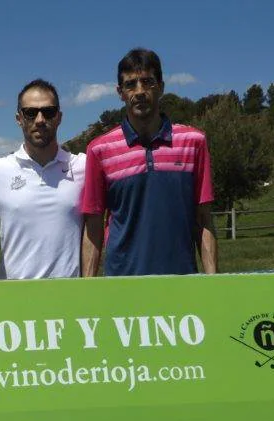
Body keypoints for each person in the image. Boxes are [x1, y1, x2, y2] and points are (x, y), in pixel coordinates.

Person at [81, 48, 218, 277]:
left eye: (148, 82)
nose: (140, 91)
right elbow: (93, 228)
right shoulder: (99, 150)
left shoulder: (193, 143)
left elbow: (204, 220)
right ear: (120, 92)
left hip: (183, 281)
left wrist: (214, 284)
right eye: (130, 84)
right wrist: (88, 291)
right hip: (121, 285)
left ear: (161, 87)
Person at [0, 79, 85, 279]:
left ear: (59, 117)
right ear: (19, 118)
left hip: (69, 301)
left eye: (48, 112)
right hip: (14, 302)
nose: (40, 119)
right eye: (31, 113)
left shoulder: (83, 167)